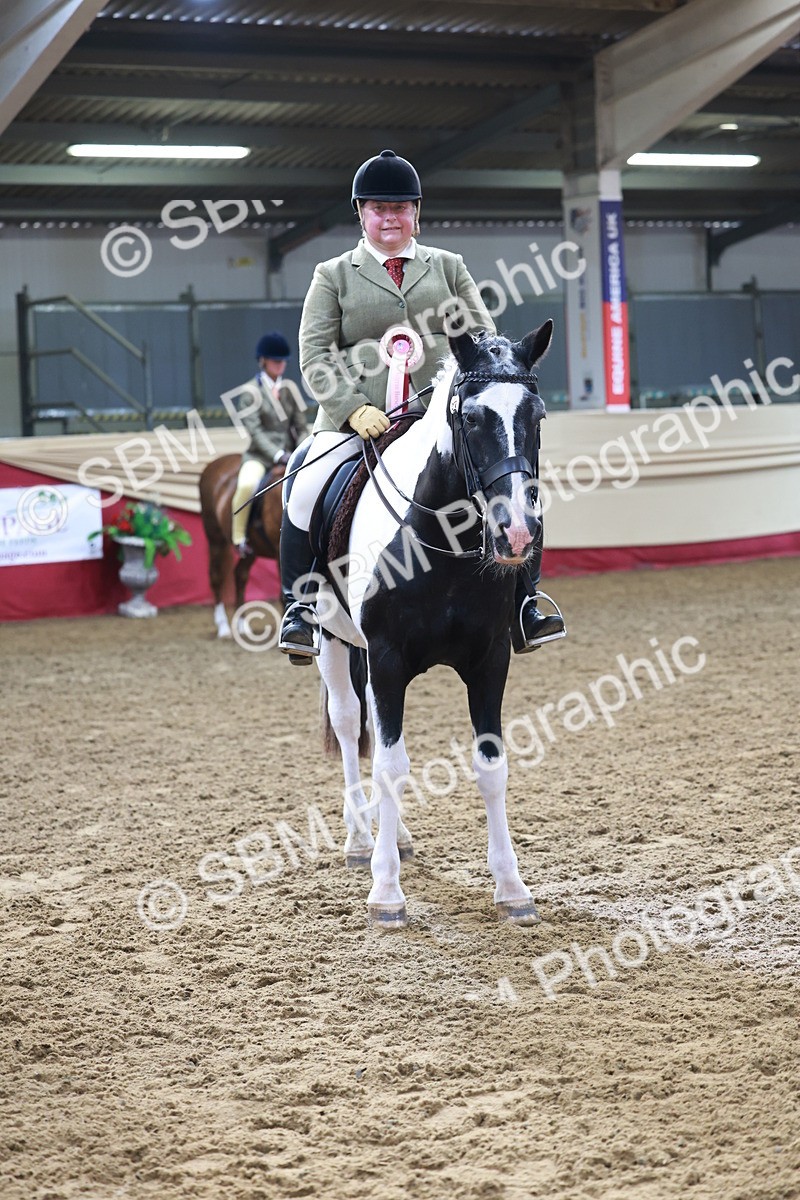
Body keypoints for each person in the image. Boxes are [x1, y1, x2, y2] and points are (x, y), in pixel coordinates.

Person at [278, 148, 565, 662]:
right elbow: (314, 355)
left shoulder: (448, 267)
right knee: (305, 487)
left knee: (513, 480)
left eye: (400, 208)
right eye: (378, 208)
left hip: (439, 416)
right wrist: (351, 408)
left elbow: (484, 341)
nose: (390, 218)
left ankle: (525, 602)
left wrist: (467, 398)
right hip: (358, 421)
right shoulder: (333, 274)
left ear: (416, 212)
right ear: (361, 213)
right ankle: (299, 609)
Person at [230, 332, 308, 554]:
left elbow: (301, 425)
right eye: (276, 361)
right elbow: (255, 432)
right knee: (246, 485)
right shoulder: (250, 393)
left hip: (290, 455)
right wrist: (277, 454)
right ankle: (239, 537)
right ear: (263, 360)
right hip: (260, 457)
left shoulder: (289, 389)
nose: (281, 365)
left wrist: (302, 449)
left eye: (283, 361)